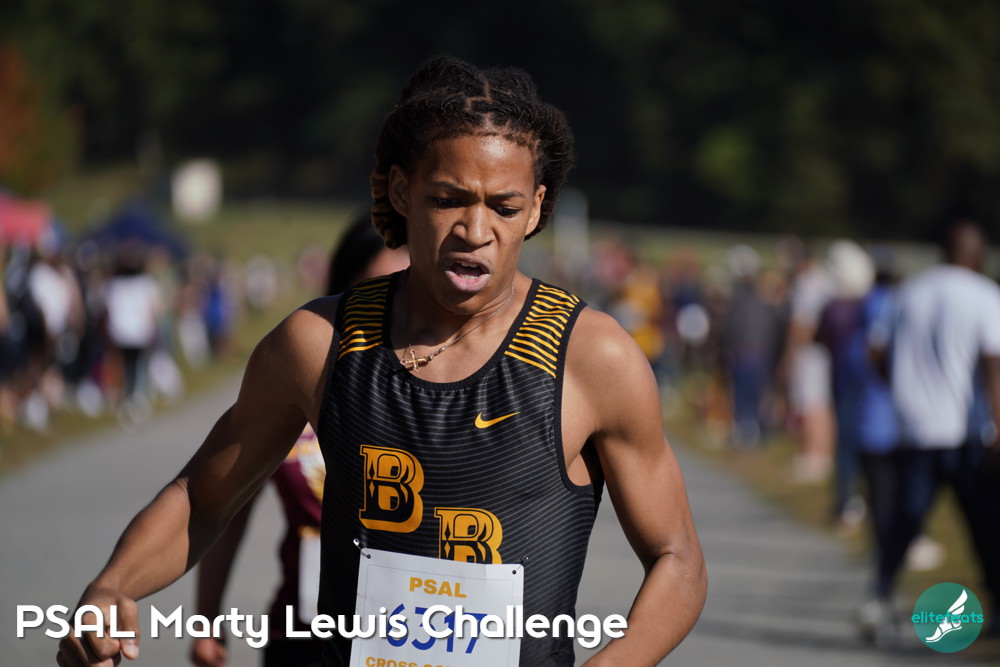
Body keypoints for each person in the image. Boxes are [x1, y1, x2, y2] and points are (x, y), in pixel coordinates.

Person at [57, 56, 706, 667]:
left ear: (536, 207)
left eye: (504, 207)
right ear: (401, 190)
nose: (475, 230)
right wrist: (114, 584)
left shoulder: (592, 357)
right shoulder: (319, 341)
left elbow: (678, 559)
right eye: (448, 199)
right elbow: (203, 498)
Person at [189, 217, 408, 667]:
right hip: (301, 637)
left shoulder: (455, 397)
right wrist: (207, 617)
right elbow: (224, 503)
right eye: (375, 290)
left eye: (404, 291)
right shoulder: (299, 377)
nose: (391, 309)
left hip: (411, 637)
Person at [865, 219, 1000, 643]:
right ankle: (996, 606)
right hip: (966, 432)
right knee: (984, 525)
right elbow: (994, 366)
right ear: (977, 254)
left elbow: (876, 351)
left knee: (906, 519)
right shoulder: (984, 295)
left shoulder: (908, 292)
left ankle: (879, 595)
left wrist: (901, 389)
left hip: (916, 428)